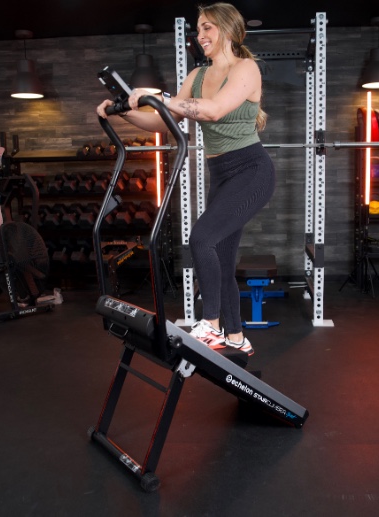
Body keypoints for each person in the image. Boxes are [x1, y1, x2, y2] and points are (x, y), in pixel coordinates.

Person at [96, 2, 273, 356]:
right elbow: (166, 120)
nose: (201, 35)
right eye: (199, 28)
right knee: (220, 255)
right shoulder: (197, 76)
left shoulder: (246, 68)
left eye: (208, 27)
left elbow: (213, 110)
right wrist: (123, 113)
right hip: (221, 175)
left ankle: (210, 324)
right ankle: (237, 338)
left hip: (253, 171)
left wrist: (156, 96)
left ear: (228, 29)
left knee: (202, 238)